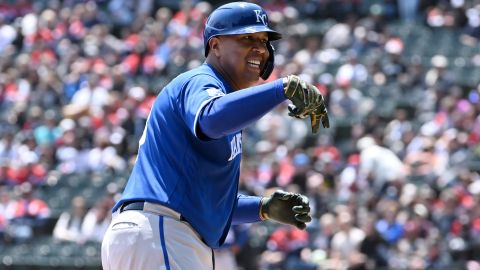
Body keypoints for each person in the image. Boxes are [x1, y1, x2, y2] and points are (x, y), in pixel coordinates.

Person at [101, 2, 329, 270]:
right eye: (247, 38)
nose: (260, 48)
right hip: (162, 230)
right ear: (215, 46)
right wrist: (282, 88)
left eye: (264, 41)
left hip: (163, 233)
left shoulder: (227, 103)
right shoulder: (199, 81)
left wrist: (262, 208)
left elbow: (205, 202)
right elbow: (210, 118)